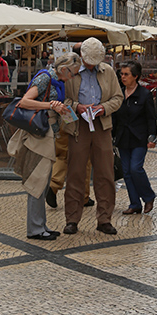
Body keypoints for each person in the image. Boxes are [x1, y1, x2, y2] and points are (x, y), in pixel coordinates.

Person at [7, 52, 81, 241]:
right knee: (37, 181)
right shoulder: (44, 78)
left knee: (44, 180)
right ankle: (35, 229)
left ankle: (41, 225)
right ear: (64, 69)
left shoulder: (57, 81)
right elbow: (24, 101)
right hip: (39, 135)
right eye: (72, 73)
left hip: (49, 134)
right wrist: (51, 105)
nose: (73, 76)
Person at [62, 38, 124, 235]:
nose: (91, 65)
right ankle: (72, 219)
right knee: (75, 174)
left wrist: (103, 108)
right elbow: (60, 98)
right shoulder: (69, 71)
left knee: (105, 174)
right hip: (77, 126)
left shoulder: (108, 72)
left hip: (102, 126)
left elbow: (118, 97)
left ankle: (104, 219)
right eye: (88, 61)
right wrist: (76, 107)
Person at [113, 61, 157, 215]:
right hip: (123, 137)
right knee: (126, 171)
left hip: (139, 137)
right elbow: (114, 117)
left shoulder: (145, 94)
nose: (123, 77)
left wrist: (152, 137)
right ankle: (134, 204)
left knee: (135, 168)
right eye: (122, 74)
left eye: (126, 74)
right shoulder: (118, 93)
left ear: (135, 76)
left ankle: (148, 197)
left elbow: (151, 118)